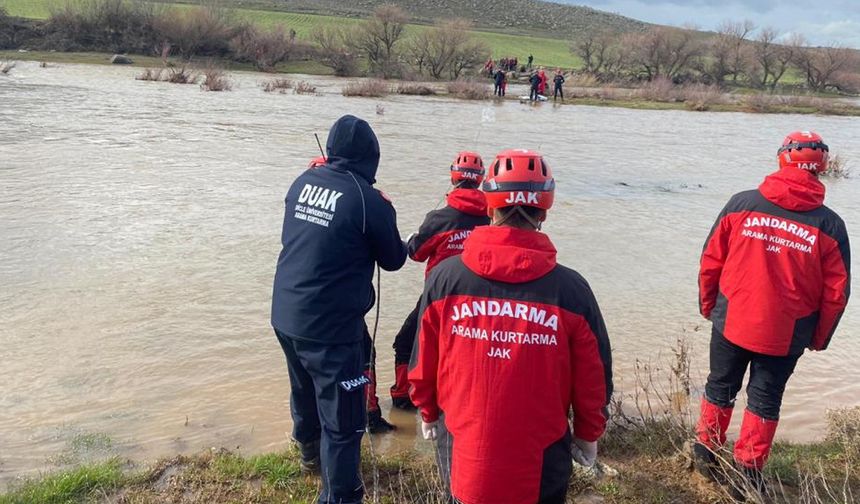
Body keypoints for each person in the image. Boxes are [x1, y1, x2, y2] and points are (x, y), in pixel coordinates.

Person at [409, 149, 614, 504]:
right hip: (541, 464)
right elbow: (593, 379)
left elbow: (422, 362)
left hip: (460, 450)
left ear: (489, 206)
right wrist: (587, 434)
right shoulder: (571, 291)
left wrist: (427, 411)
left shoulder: (445, 279)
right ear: (544, 212)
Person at [695, 131, 850, 497]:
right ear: (820, 169)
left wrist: (708, 305)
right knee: (765, 399)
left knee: (721, 385)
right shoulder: (830, 225)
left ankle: (705, 452)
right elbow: (836, 294)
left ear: (782, 159)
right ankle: (748, 474)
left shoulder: (740, 204)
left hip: (732, 318)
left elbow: (710, 261)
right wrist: (819, 337)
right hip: (788, 332)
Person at [271, 115, 407, 504]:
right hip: (331, 328)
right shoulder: (369, 200)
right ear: (372, 157)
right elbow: (394, 259)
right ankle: (341, 496)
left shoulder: (301, 182)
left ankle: (310, 457)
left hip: (286, 313)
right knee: (344, 422)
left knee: (304, 390)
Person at [389, 152, 490, 410]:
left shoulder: (439, 219)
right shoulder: (492, 217)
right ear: (480, 180)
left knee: (405, 342)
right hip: (481, 299)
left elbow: (415, 253)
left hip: (438, 297)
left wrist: (412, 238)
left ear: (453, 176)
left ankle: (404, 398)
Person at [304, 156, 397, 434]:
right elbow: (393, 258)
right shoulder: (358, 201)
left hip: (299, 307)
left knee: (310, 382)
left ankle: (313, 443)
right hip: (338, 312)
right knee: (363, 356)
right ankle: (364, 417)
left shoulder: (302, 196)